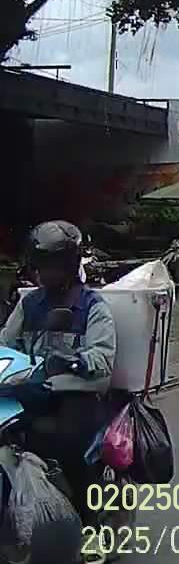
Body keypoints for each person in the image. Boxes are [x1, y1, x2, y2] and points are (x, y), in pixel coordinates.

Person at [0, 221, 118, 537]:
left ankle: (92, 527)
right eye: (40, 265)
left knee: (69, 448)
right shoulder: (28, 303)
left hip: (75, 392)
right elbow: (6, 343)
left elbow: (103, 357)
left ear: (68, 265)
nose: (44, 273)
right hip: (32, 389)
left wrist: (74, 361)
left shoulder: (92, 306)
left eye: (51, 265)